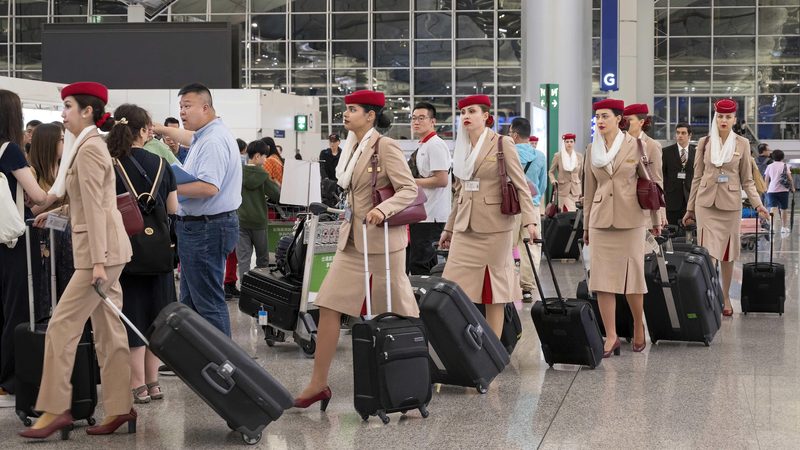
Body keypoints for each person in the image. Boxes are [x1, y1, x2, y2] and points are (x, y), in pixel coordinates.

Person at [22, 82, 136, 439]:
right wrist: (58, 211)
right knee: (108, 330)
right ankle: (120, 408)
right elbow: (91, 201)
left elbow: (100, 209)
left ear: (87, 110)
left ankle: (56, 410)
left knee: (61, 327)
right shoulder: (87, 146)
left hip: (97, 256)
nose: (63, 113)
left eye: (68, 106)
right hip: (109, 251)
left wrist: (98, 263)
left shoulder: (87, 150)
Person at [294, 90, 419, 410]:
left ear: (370, 115)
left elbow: (409, 189)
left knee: (400, 314)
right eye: (346, 109)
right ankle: (318, 384)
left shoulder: (385, 147)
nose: (346, 114)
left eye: (353, 110)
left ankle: (415, 372)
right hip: (350, 243)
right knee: (328, 306)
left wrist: (385, 209)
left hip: (382, 246)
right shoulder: (350, 148)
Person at [438, 95, 538, 339]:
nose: (466, 117)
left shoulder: (502, 143)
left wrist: (531, 222)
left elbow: (521, 186)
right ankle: (468, 344)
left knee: (494, 291)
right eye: (462, 113)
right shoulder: (461, 147)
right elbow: (459, 191)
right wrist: (449, 228)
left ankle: (492, 350)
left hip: (495, 228)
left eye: (472, 111)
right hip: (464, 227)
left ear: (485, 116)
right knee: (454, 286)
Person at [106, 104, 178, 405]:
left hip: (127, 251)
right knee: (157, 317)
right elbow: (173, 209)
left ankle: (137, 385)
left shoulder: (111, 164)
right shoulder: (163, 164)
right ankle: (154, 381)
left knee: (132, 316)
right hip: (160, 252)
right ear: (144, 130)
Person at [582, 98, 663, 357]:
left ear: (619, 119)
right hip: (600, 220)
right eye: (598, 117)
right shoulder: (591, 150)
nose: (601, 121)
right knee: (602, 280)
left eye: (605, 116)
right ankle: (612, 336)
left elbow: (651, 184)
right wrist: (586, 226)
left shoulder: (636, 146)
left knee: (633, 280)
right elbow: (589, 190)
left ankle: (639, 326)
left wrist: (656, 219)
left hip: (631, 220)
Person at [683, 99, 768, 317]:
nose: (723, 120)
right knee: (708, 254)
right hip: (706, 204)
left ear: (734, 119)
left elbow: (747, 180)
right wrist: (690, 208)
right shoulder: (704, 142)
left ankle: (725, 295)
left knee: (728, 255)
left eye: (728, 117)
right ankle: (709, 295)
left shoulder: (742, 144)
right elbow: (697, 177)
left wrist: (758, 205)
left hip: (730, 205)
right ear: (715, 117)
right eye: (720, 116)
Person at [170, 83, 242, 336]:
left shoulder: (212, 140)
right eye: (180, 107)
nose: (182, 112)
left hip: (206, 228)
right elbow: (186, 137)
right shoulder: (207, 134)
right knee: (190, 299)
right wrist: (157, 128)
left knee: (208, 302)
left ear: (206, 107)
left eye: (187, 106)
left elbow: (209, 187)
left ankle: (224, 364)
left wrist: (169, 187)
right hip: (201, 227)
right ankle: (193, 356)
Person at [0, 90, 48, 408]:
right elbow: (39, 196)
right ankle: (8, 379)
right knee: (17, 309)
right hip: (15, 240)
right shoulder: (11, 151)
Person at [406, 102, 451, 275]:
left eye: (422, 118)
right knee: (428, 266)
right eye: (414, 118)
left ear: (433, 121)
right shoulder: (424, 145)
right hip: (423, 214)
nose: (416, 122)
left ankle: (423, 301)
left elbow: (442, 179)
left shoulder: (435, 145)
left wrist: (412, 181)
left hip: (431, 216)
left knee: (419, 265)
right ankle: (428, 301)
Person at [509, 117, 547, 302]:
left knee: (506, 246)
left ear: (515, 135)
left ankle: (506, 284)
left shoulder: (507, 153)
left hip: (510, 207)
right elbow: (543, 185)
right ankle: (527, 289)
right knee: (531, 248)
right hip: (531, 206)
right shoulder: (540, 156)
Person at [236, 140, 281, 280]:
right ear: (257, 156)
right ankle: (260, 288)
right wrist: (276, 184)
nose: (265, 159)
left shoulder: (238, 172)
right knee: (262, 258)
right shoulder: (262, 175)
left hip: (241, 221)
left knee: (243, 259)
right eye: (264, 156)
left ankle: (245, 289)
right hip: (259, 222)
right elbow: (277, 195)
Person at [662, 123, 695, 226]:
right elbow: (663, 175)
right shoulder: (666, 152)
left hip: (690, 199)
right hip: (672, 199)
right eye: (678, 133)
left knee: (690, 233)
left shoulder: (697, 152)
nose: (680, 135)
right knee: (672, 230)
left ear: (690, 135)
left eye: (683, 133)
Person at [548, 132, 584, 211]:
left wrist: (582, 189)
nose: (569, 144)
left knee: (576, 214)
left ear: (574, 143)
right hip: (563, 189)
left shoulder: (579, 156)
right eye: (567, 141)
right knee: (568, 212)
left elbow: (581, 174)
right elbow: (551, 172)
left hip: (576, 190)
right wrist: (553, 180)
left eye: (571, 141)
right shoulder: (558, 156)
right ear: (564, 143)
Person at [763, 149, 796, 234]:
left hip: (772, 190)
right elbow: (789, 178)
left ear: (773, 157)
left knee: (772, 209)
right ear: (782, 157)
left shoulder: (769, 166)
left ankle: (772, 227)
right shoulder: (785, 165)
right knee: (783, 209)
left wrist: (765, 188)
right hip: (783, 190)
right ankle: (783, 228)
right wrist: (792, 188)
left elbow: (766, 179)